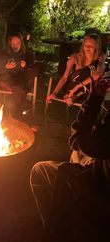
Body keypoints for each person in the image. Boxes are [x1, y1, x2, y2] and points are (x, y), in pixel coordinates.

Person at [30, 76, 110, 241]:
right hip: (103, 168)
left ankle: (57, 231)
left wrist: (94, 98)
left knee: (40, 170)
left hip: (101, 189)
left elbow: (77, 140)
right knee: (76, 155)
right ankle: (69, 211)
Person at [46, 32, 106, 105]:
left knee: (90, 71)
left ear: (96, 47)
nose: (87, 48)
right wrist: (54, 93)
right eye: (86, 45)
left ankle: (74, 97)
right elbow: (65, 77)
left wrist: (78, 86)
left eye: (91, 46)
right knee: (86, 72)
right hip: (73, 88)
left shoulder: (100, 57)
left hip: (88, 90)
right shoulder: (75, 58)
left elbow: (98, 74)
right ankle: (72, 97)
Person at [0, 33, 34, 115]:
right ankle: (16, 111)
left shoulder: (26, 54)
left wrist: (25, 66)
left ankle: (15, 111)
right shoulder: (4, 53)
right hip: (7, 77)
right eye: (13, 43)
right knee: (19, 87)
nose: (15, 46)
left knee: (21, 85)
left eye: (18, 43)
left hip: (20, 78)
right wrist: (6, 67)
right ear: (10, 44)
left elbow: (30, 69)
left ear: (21, 43)